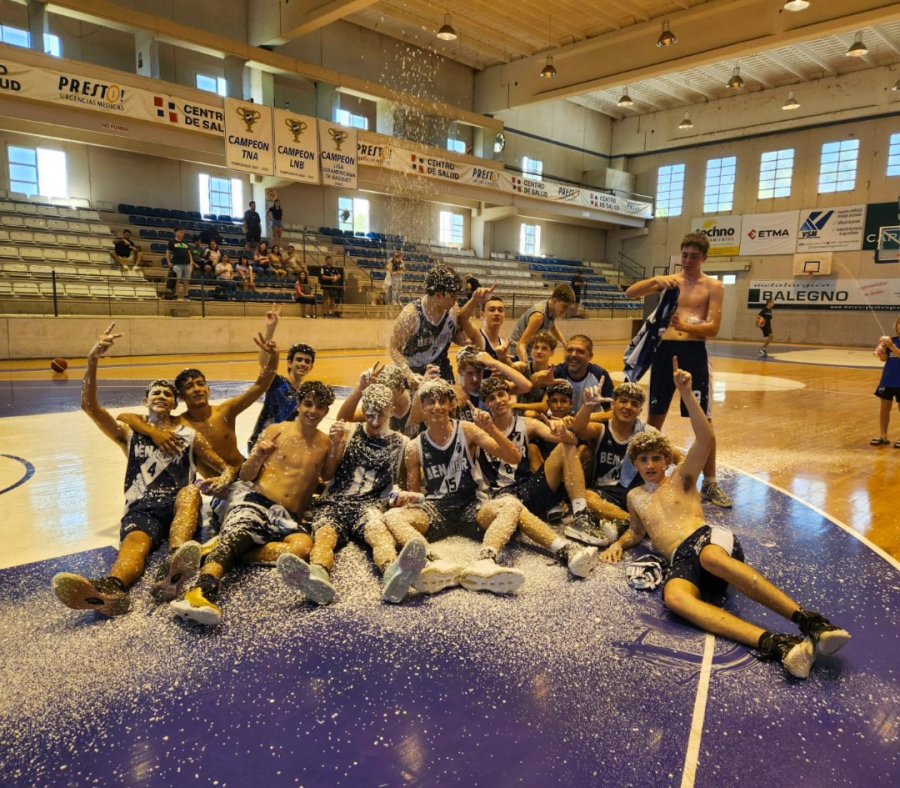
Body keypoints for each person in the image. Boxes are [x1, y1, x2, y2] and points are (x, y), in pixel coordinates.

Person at [600, 361, 850, 680]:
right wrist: (617, 545)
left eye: (656, 459)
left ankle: (811, 622)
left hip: (708, 541)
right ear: (635, 463)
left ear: (666, 460)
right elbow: (636, 531)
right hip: (682, 560)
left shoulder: (682, 478)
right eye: (643, 460)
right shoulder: (635, 497)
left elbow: (705, 438)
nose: (650, 465)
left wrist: (687, 394)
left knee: (710, 558)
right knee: (674, 597)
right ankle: (778, 645)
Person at [51, 324, 236, 617]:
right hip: (142, 508)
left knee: (189, 492)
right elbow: (89, 405)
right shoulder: (128, 432)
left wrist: (222, 479)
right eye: (156, 392)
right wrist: (92, 359)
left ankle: (175, 562)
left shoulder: (189, 436)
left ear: (175, 403)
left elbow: (225, 467)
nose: (161, 396)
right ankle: (113, 590)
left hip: (178, 507)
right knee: (134, 544)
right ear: (146, 400)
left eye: (167, 393)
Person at [171, 382, 336, 625]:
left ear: (326, 411)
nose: (313, 411)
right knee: (240, 535)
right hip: (258, 501)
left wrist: (339, 443)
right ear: (299, 404)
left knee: (302, 546)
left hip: (288, 517)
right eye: (308, 404)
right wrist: (258, 454)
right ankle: (200, 592)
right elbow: (246, 475)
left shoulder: (325, 443)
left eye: (320, 407)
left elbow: (326, 477)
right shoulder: (277, 430)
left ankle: (219, 549)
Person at [277, 383, 427, 606]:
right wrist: (336, 445)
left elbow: (407, 488)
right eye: (370, 416)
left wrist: (402, 496)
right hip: (334, 501)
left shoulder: (403, 444)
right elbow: (327, 475)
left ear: (392, 411)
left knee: (378, 532)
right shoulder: (349, 431)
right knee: (325, 536)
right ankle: (317, 576)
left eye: (381, 416)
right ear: (363, 412)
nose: (375, 423)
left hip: (370, 505)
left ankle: (392, 572)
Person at [384, 378, 527, 595]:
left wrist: (491, 429)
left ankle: (486, 561)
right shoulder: (414, 447)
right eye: (430, 402)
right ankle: (433, 563)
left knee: (510, 504)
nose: (437, 407)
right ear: (422, 409)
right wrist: (405, 499)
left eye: (442, 401)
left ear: (452, 405)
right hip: (437, 510)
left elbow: (514, 457)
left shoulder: (467, 430)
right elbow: (416, 495)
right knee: (392, 517)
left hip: (472, 506)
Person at [624, 232, 731, 508]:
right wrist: (655, 281)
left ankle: (710, 482)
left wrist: (686, 326)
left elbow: (713, 328)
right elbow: (630, 292)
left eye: (694, 256)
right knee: (654, 417)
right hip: (664, 352)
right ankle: (641, 473)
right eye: (684, 255)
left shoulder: (713, 286)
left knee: (703, 421)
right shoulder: (671, 283)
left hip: (693, 353)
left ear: (704, 258)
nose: (688, 260)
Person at [473, 375, 601, 580]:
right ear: (486, 404)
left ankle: (581, 515)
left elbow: (571, 440)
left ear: (509, 396)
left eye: (501, 394)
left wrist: (560, 430)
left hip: (528, 488)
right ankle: (566, 550)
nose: (498, 400)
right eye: (491, 398)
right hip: (500, 496)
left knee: (565, 447)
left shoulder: (527, 424)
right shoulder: (477, 431)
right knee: (510, 504)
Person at [570, 382, 661, 544]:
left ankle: (623, 523)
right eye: (623, 401)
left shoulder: (648, 433)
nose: (628, 407)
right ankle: (635, 523)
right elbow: (578, 429)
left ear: (640, 410)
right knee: (586, 497)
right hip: (604, 494)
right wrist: (587, 406)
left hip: (637, 494)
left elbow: (673, 456)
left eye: (634, 404)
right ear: (613, 404)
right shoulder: (601, 429)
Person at [389, 264, 485, 382]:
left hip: (441, 369)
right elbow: (393, 349)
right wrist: (409, 375)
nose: (456, 300)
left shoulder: (453, 308)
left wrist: (464, 340)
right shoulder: (411, 315)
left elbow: (455, 333)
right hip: (415, 372)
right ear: (438, 295)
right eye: (452, 296)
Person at [248, 305, 317, 451]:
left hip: (288, 448)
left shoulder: (308, 395)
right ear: (290, 363)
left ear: (311, 367)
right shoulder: (276, 382)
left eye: (307, 361)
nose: (302, 364)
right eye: (299, 360)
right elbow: (264, 363)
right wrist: (270, 329)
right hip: (262, 445)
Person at [531, 334, 614, 414]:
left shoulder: (600, 375)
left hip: (589, 424)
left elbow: (611, 412)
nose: (573, 355)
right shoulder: (558, 372)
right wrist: (539, 379)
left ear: (590, 356)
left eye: (580, 351)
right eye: (569, 350)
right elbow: (535, 380)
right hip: (561, 423)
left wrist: (579, 421)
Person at [453, 345, 531, 421]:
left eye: (479, 372)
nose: (475, 379)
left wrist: (495, 363)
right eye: (470, 373)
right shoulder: (453, 392)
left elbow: (526, 386)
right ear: (460, 371)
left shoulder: (490, 386)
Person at [508, 283, 574, 362]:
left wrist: (564, 343)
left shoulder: (552, 311)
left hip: (529, 351)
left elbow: (552, 326)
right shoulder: (538, 317)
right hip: (516, 353)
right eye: (564, 306)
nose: (566, 311)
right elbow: (521, 344)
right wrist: (525, 367)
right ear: (555, 300)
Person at [871, 317, 900, 447]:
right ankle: (883, 436)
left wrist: (891, 346)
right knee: (884, 407)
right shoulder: (892, 341)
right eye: (899, 323)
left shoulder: (892, 343)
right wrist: (881, 351)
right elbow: (884, 359)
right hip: (888, 379)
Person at [478, 294, 511, 365]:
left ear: (504, 316)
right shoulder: (476, 338)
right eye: (492, 310)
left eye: (500, 310)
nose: (497, 313)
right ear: (482, 315)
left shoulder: (503, 344)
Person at [166, 227, 192, 301]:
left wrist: (191, 262)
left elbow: (189, 253)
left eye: (183, 232)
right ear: (176, 232)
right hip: (177, 264)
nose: (182, 233)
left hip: (186, 264)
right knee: (177, 279)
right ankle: (175, 294)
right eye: (181, 232)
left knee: (186, 280)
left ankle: (186, 295)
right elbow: (168, 252)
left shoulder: (186, 243)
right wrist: (168, 261)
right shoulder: (172, 242)